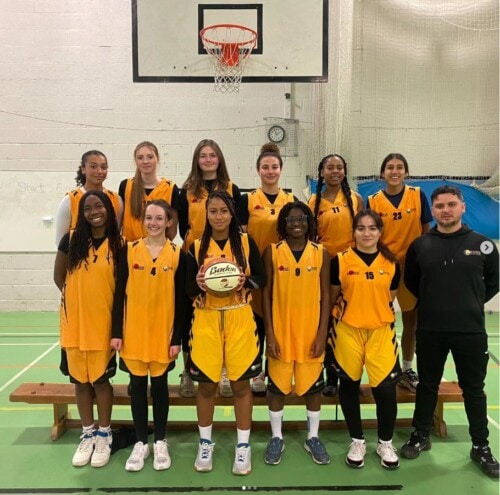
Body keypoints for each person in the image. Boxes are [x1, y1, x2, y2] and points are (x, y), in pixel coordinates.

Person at [400, 185, 499, 479]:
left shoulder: (483, 244)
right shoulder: (420, 245)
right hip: (430, 329)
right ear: (433, 210)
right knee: (427, 385)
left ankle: (480, 445)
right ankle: (420, 435)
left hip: (470, 330)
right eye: (440, 205)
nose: (446, 210)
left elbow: (492, 283)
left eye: (451, 204)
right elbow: (413, 283)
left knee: (474, 389)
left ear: (462, 207)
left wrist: (467, 303)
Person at [185, 190, 265, 476]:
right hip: (206, 320)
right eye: (213, 211)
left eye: (223, 211)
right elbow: (186, 289)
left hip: (239, 318)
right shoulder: (195, 246)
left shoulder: (245, 242)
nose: (218, 216)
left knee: (241, 386)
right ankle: (205, 443)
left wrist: (247, 281)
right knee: (206, 387)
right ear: (206, 215)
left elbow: (261, 277)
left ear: (232, 214)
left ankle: (242, 447)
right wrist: (196, 282)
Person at [111, 200, 185, 472]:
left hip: (163, 335)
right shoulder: (128, 250)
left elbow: (182, 302)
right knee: (138, 389)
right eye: (149, 217)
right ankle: (141, 442)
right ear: (143, 220)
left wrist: (176, 337)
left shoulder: (177, 254)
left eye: (159, 218)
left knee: (161, 388)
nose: (153, 222)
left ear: (169, 222)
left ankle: (161, 441)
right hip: (134, 333)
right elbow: (119, 293)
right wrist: (116, 332)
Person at [53, 190, 123, 468]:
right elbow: (59, 277)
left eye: (99, 206)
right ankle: (87, 433)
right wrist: (76, 302)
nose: (94, 211)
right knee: (80, 382)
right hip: (74, 324)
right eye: (88, 208)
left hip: (103, 325)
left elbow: (120, 289)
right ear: (81, 214)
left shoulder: (120, 244)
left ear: (108, 208)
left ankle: (104, 434)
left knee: (101, 381)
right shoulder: (70, 240)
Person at [329, 210, 401, 470]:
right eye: (361, 228)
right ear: (354, 232)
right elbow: (333, 295)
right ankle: (357, 440)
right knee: (349, 386)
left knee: (385, 390)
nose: (367, 233)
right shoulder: (339, 261)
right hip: (348, 330)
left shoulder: (391, 263)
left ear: (380, 232)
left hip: (381, 332)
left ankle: (385, 442)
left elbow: (389, 296)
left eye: (372, 228)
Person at [261, 201, 330, 466]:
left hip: (310, 331)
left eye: (302, 218)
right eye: (290, 219)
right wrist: (270, 332)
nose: (296, 223)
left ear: (309, 222)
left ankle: (312, 437)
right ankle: (276, 436)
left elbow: (325, 295)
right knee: (277, 388)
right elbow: (265, 295)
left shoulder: (321, 253)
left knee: (312, 387)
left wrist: (322, 332)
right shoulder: (273, 252)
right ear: (283, 224)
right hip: (281, 330)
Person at [178, 139, 242, 399]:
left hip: (226, 259)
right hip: (194, 256)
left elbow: (238, 224)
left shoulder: (231, 188)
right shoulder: (185, 191)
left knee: (225, 315)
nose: (207, 159)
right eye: (203, 155)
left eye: (212, 155)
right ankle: (187, 369)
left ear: (219, 159)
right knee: (189, 315)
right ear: (197, 159)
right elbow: (183, 228)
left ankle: (225, 370)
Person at [367, 153, 432, 392]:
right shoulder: (373, 200)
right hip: (384, 267)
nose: (394, 171)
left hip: (412, 267)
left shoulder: (417, 195)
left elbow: (425, 230)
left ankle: (406, 367)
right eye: (390, 167)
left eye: (399, 167)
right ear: (382, 172)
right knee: (381, 321)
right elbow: (369, 233)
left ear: (406, 172)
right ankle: (384, 366)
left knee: (411, 321)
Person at [238, 143, 295, 395]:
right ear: (258, 170)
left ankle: (273, 371)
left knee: (277, 320)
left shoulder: (291, 200)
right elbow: (239, 237)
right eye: (265, 167)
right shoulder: (247, 200)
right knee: (255, 322)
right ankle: (255, 371)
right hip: (254, 270)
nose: (270, 171)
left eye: (274, 167)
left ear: (281, 169)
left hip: (283, 270)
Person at [309, 154, 363, 396]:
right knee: (327, 321)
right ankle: (329, 377)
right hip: (323, 268)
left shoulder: (356, 199)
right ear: (321, 172)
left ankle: (351, 375)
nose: (335, 171)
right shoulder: (313, 201)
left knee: (350, 321)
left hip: (351, 268)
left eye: (339, 167)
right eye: (330, 167)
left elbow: (365, 232)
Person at [55, 150, 123, 246]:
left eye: (103, 167)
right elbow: (60, 242)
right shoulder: (69, 200)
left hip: (107, 258)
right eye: (93, 166)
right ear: (83, 169)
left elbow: (116, 234)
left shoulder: (116, 199)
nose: (99, 171)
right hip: (79, 258)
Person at [119, 141, 179, 242]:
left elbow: (173, 227)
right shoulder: (126, 185)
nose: (145, 161)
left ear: (158, 159)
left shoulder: (170, 188)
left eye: (150, 157)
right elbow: (119, 222)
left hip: (158, 250)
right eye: (140, 158)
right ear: (136, 161)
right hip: (130, 249)